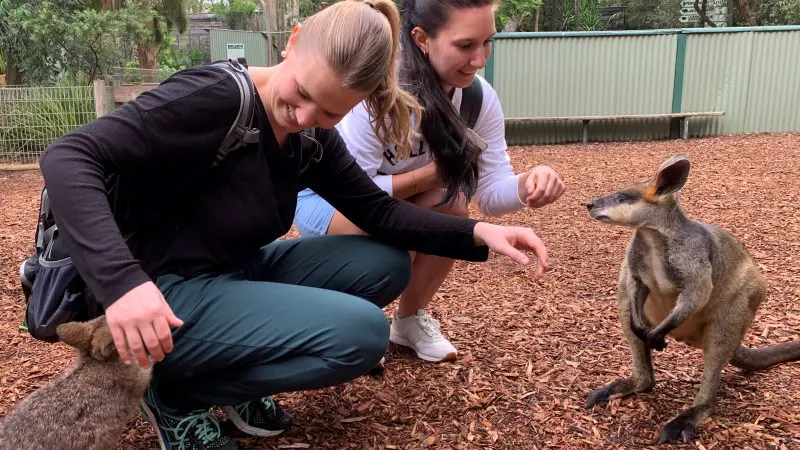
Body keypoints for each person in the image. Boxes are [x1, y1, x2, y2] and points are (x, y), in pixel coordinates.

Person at [37, 0, 550, 449]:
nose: (303, 116)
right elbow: (69, 157)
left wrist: (479, 232)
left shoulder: (310, 137)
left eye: (328, 112)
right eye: (301, 94)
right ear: (293, 40)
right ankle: (177, 395)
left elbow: (378, 212)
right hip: (159, 294)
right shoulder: (215, 98)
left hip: (229, 273)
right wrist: (124, 284)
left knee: (382, 262)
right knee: (361, 334)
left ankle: (231, 381)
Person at [293, 0, 565, 363]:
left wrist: (527, 183)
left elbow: (489, 193)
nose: (480, 58)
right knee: (402, 229)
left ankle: (408, 320)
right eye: (466, 45)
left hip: (392, 206)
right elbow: (354, 196)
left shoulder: (477, 100)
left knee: (451, 206)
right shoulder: (378, 95)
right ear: (421, 39)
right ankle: (352, 321)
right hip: (328, 204)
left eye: (488, 42)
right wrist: (427, 176)